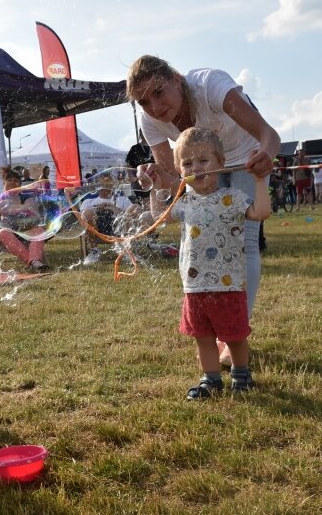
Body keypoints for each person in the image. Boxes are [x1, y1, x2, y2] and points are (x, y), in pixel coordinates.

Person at [127, 54, 279, 319]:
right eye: (144, 102)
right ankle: (219, 315)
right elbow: (174, 180)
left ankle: (237, 328)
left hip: (246, 156)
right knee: (208, 236)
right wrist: (154, 177)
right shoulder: (149, 120)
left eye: (159, 92)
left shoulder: (210, 85)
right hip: (203, 166)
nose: (154, 107)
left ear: (176, 78)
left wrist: (266, 155)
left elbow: (269, 135)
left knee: (245, 240)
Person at [150, 127, 271, 399]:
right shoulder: (184, 202)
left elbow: (262, 212)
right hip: (195, 286)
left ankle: (241, 374)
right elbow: (158, 217)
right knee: (203, 337)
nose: (196, 167)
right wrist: (156, 187)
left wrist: (260, 179)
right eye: (188, 163)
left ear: (221, 164)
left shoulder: (232, 198)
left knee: (235, 336)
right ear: (181, 170)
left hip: (228, 284)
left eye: (204, 160)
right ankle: (211, 379)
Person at [0, 166, 49, 272]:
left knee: (39, 230)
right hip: (1, 235)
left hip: (24, 232)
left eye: (16, 181)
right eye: (9, 180)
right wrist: (22, 207)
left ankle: (35, 261)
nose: (13, 183)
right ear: (4, 183)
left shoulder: (25, 196)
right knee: (4, 232)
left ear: (20, 185)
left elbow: (34, 212)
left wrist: (13, 207)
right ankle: (31, 262)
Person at [79, 172, 140, 264]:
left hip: (119, 229)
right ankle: (95, 250)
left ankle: (126, 250)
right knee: (86, 213)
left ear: (113, 185)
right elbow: (82, 219)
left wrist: (115, 208)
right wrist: (96, 209)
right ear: (98, 186)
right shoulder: (88, 202)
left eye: (109, 184)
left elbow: (134, 214)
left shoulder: (122, 200)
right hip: (97, 230)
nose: (106, 186)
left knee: (134, 207)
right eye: (103, 184)